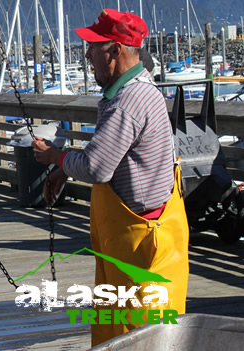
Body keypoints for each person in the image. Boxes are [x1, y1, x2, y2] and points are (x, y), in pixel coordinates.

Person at [31, 9, 189, 346]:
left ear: (115, 50)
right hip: (141, 235)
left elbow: (96, 168)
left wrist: (54, 156)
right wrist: (63, 170)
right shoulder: (142, 89)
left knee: (140, 337)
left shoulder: (126, 102)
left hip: (141, 242)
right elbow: (112, 155)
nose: (87, 55)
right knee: (128, 330)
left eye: (93, 47)